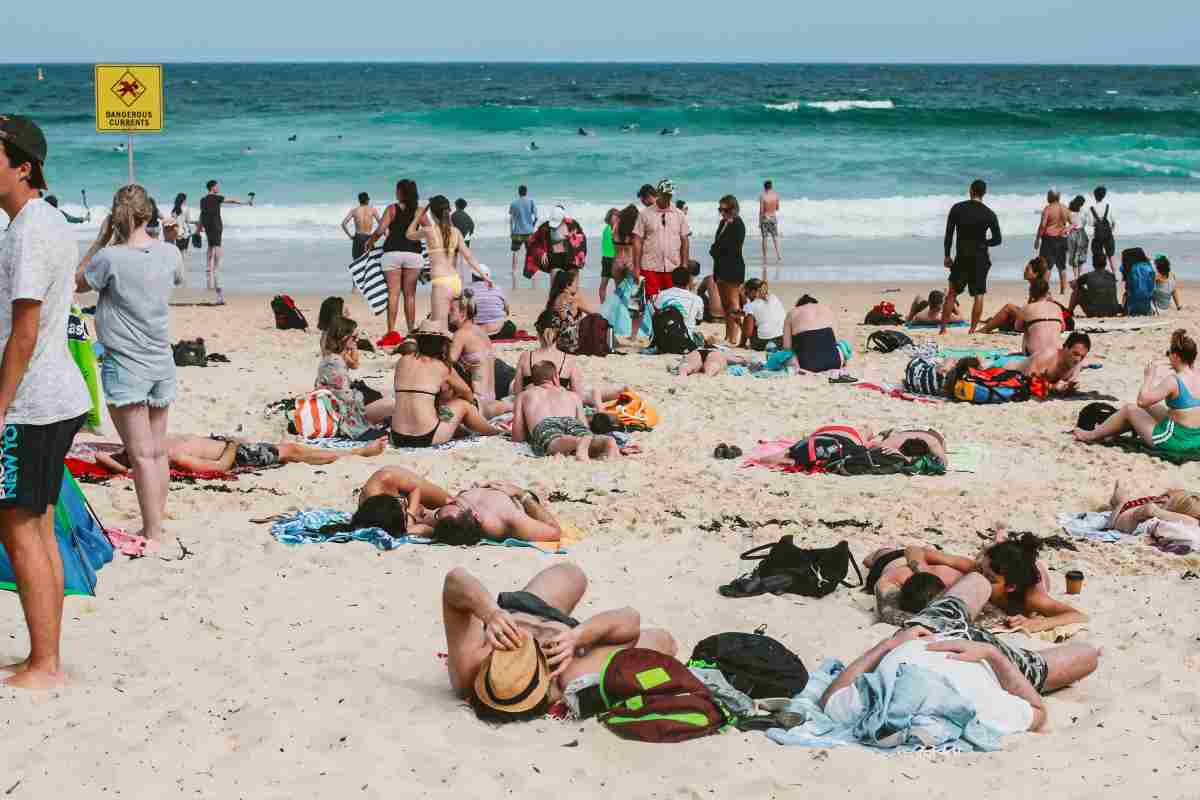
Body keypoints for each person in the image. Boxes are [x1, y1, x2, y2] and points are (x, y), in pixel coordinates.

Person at [0, 116, 93, 689]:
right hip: (55, 396)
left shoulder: (31, 230)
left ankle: (45, 664)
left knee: (19, 526)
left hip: (32, 402)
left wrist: (1, 404)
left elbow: (25, 330)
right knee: (35, 524)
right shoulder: (42, 221)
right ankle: (45, 655)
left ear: (22, 165)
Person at [819, 572, 1100, 736]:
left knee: (979, 579)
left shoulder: (877, 706)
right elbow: (1039, 711)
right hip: (977, 656)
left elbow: (831, 696)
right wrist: (993, 654)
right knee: (1089, 655)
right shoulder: (977, 707)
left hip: (928, 634)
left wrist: (888, 645)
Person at [76, 183, 182, 542]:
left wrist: (99, 239)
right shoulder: (169, 253)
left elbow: (77, 283)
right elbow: (176, 276)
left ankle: (152, 530)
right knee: (156, 450)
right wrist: (167, 238)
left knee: (141, 455)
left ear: (115, 216)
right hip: (161, 361)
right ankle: (156, 521)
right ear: (149, 214)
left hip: (126, 365)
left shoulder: (110, 257)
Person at [442, 562, 677, 720]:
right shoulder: (567, 674)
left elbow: (455, 579)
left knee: (572, 574)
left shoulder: (471, 667)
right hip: (571, 638)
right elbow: (630, 619)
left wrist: (491, 613)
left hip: (518, 611)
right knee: (663, 641)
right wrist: (578, 636)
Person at [1073, 328, 1200, 453]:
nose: (1168, 357)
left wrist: (1149, 377)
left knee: (1130, 409)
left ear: (1176, 357)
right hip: (1195, 437)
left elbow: (1141, 401)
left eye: (1169, 353)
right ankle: (1110, 431)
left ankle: (1091, 435)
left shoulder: (1174, 380)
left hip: (1177, 441)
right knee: (1151, 407)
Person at [389, 320, 501, 448]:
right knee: (462, 405)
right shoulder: (442, 368)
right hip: (425, 437)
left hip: (397, 436)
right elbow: (467, 392)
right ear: (442, 344)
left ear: (419, 341)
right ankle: (494, 431)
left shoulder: (402, 361)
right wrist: (471, 407)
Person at [95, 433, 385, 475]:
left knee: (292, 449)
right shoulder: (175, 457)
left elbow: (100, 455)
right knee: (293, 451)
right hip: (239, 454)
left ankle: (355, 451)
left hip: (234, 446)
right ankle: (359, 453)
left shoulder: (156, 442)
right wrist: (233, 443)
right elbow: (219, 467)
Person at [513, 309, 623, 410]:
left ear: (538, 332)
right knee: (588, 392)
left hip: (532, 406)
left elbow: (517, 392)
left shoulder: (526, 357)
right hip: (558, 405)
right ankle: (614, 392)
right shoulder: (569, 360)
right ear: (560, 333)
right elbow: (577, 397)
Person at [513, 361, 620, 460]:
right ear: (555, 378)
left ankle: (578, 442)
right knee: (587, 437)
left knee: (553, 442)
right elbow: (584, 425)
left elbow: (518, 435)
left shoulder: (524, 395)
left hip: (545, 424)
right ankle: (605, 441)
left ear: (534, 381)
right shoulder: (573, 396)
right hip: (572, 422)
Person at [408, 195, 491, 325]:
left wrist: (419, 216)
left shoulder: (429, 231)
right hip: (455, 282)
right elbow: (469, 257)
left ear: (432, 214)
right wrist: (485, 276)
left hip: (441, 283)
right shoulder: (455, 232)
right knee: (456, 324)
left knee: (438, 325)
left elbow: (409, 234)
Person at [315, 316, 393, 440]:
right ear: (343, 337)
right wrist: (363, 396)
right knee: (391, 404)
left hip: (344, 409)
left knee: (387, 403)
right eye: (354, 337)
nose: (357, 340)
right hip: (345, 416)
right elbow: (346, 399)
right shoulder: (334, 363)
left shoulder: (335, 357)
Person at [362, 179, 421, 341]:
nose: (395, 193)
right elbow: (430, 229)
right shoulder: (419, 211)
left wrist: (371, 241)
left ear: (401, 192)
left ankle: (391, 331)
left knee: (393, 294)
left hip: (392, 254)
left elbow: (381, 230)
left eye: (397, 190)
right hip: (413, 254)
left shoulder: (392, 209)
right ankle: (410, 330)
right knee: (410, 295)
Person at [943, 179, 1002, 333]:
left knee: (952, 292)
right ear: (984, 193)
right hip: (980, 257)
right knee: (979, 294)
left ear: (970, 190)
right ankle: (972, 329)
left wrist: (947, 255)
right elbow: (998, 240)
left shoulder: (957, 208)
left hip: (962, 256)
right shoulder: (989, 213)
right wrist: (984, 243)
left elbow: (949, 234)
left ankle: (943, 329)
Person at [431, 482, 564, 546]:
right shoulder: (507, 518)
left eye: (452, 503)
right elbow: (554, 532)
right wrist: (521, 494)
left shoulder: (463, 511)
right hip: (520, 498)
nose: (450, 499)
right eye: (455, 504)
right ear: (477, 516)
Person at [448, 293, 512, 419]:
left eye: (452, 310)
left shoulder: (461, 334)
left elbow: (447, 364)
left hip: (477, 403)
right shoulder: (481, 332)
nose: (448, 313)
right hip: (491, 399)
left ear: (463, 313)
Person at [632, 178, 689, 304]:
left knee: (671, 302)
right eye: (665, 194)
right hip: (650, 267)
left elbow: (684, 240)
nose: (667, 198)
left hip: (673, 267)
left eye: (669, 195)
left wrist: (684, 265)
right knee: (650, 303)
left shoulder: (679, 214)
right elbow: (637, 240)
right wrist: (636, 267)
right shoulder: (645, 214)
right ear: (659, 193)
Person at [197, 179, 247, 306]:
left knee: (210, 254)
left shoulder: (202, 200)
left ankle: (210, 279)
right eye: (217, 186)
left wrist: (198, 230)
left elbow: (202, 215)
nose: (218, 188)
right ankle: (217, 287)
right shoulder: (217, 198)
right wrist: (245, 202)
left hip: (208, 228)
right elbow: (232, 201)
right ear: (213, 187)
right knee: (217, 258)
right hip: (217, 227)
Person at [711, 194, 747, 344]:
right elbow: (718, 242)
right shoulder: (723, 223)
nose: (722, 212)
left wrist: (716, 249)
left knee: (733, 303)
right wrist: (715, 249)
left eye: (724, 209)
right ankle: (728, 334)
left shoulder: (738, 224)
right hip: (720, 267)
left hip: (733, 268)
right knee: (725, 304)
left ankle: (735, 336)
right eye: (720, 209)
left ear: (733, 209)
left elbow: (733, 247)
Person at [1015, 331, 1091, 392]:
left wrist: (1069, 387)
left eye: (1082, 356)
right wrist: (1052, 387)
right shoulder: (1047, 357)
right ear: (1065, 348)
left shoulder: (1077, 363)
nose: (1078, 359)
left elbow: (1066, 384)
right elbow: (1027, 379)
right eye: (1075, 354)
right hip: (1014, 367)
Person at [545, 268, 600, 354]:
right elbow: (594, 314)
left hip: (555, 341)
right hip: (570, 342)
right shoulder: (574, 299)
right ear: (568, 285)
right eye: (576, 283)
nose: (578, 286)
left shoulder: (555, 298)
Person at [783, 294, 843, 372]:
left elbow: (787, 347)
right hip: (835, 362)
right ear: (815, 303)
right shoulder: (826, 309)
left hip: (807, 365)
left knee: (784, 355)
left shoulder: (792, 313)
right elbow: (836, 341)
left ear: (799, 305)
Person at [1012, 277, 1068, 356]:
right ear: (1047, 292)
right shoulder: (1057, 307)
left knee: (1027, 329)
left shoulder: (1026, 308)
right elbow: (1063, 329)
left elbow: (1017, 327)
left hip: (1034, 354)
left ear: (1031, 293)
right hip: (1056, 352)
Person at [651, 267, 704, 342]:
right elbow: (699, 320)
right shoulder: (697, 299)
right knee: (699, 336)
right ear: (689, 281)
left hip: (662, 340)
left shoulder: (662, 294)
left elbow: (656, 310)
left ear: (672, 279)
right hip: (685, 340)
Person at [1034, 189, 1071, 295]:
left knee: (1047, 266)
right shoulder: (1065, 208)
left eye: (1048, 195)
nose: (1047, 197)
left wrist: (1037, 239)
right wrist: (1066, 230)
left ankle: (1044, 291)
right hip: (1062, 239)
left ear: (1050, 197)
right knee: (1062, 266)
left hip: (1049, 239)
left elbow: (1042, 225)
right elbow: (1074, 223)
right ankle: (1063, 290)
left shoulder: (1048, 209)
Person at [739, 278, 786, 350]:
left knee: (751, 322)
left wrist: (738, 322)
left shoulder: (750, 306)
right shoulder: (773, 297)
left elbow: (748, 333)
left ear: (753, 292)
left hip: (763, 342)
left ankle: (742, 344)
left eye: (746, 293)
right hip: (781, 340)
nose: (746, 296)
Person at [509, 185, 537, 287]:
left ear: (518, 192)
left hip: (517, 232)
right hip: (529, 231)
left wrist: (511, 230)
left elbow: (511, 218)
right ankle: (532, 271)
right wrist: (532, 226)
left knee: (515, 252)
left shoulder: (514, 203)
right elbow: (536, 216)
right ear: (526, 192)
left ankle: (514, 270)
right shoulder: (531, 202)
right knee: (530, 251)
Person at [341, 192, 380, 261]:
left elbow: (343, 224)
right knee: (371, 261)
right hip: (369, 238)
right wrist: (375, 236)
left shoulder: (354, 211)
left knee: (357, 262)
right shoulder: (373, 210)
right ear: (367, 200)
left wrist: (350, 236)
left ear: (359, 200)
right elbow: (381, 223)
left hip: (358, 238)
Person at [1085, 186, 1116, 271]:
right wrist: (1111, 230)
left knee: (1098, 256)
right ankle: (1114, 274)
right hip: (1108, 235)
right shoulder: (1108, 207)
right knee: (1111, 255)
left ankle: (1100, 274)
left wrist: (1098, 223)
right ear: (1104, 195)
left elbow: (1090, 223)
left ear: (1095, 196)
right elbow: (1113, 222)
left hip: (1098, 235)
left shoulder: (1091, 208)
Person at [758, 180, 781, 271]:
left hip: (765, 218)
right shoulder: (776, 196)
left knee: (764, 238)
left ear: (764, 187)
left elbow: (761, 210)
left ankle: (764, 257)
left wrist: (760, 221)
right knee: (775, 237)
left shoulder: (762, 196)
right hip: (773, 218)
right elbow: (777, 208)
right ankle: (778, 254)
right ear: (771, 187)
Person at [1066, 194, 1089, 283]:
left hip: (1072, 234)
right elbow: (1085, 222)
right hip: (1081, 233)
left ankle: (1075, 276)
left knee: (1073, 254)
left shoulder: (1069, 211)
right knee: (1081, 255)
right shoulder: (1083, 211)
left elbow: (1068, 222)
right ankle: (1079, 275)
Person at [599, 208, 618, 303]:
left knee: (618, 286)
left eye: (617, 217)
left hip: (615, 259)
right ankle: (603, 306)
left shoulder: (617, 229)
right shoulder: (607, 229)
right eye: (614, 216)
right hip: (607, 259)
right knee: (603, 285)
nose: (615, 219)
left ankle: (619, 306)